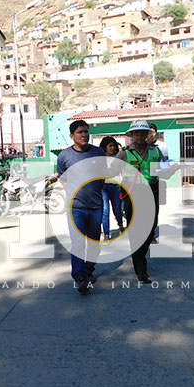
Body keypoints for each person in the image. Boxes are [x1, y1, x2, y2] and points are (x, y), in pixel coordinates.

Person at [56, 120, 106, 295]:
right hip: (75, 208)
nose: (84, 135)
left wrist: (92, 193)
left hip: (96, 206)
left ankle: (88, 270)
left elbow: (102, 177)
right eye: (80, 132)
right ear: (72, 136)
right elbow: (63, 179)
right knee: (78, 243)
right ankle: (80, 277)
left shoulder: (98, 153)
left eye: (86, 131)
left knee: (94, 244)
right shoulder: (64, 156)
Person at [116, 119, 167, 284]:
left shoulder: (155, 151)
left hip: (152, 191)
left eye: (142, 132)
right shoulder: (124, 153)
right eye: (136, 132)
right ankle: (140, 268)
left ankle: (139, 256)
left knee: (151, 228)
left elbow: (162, 168)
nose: (139, 135)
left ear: (147, 134)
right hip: (132, 193)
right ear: (131, 134)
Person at [99, 136, 124, 242]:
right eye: (110, 146)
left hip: (116, 187)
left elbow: (123, 172)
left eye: (114, 146)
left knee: (117, 210)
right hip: (104, 187)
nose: (113, 148)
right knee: (105, 211)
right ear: (105, 147)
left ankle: (120, 225)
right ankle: (106, 234)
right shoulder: (100, 159)